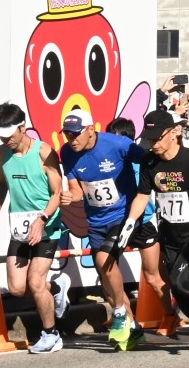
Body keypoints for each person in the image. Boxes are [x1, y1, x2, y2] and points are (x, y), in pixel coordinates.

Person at [59, 109, 155, 351]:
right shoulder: (68, 152)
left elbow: (149, 161)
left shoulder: (117, 144)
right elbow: (78, 189)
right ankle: (133, 328)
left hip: (123, 215)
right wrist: (70, 196)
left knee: (105, 260)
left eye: (75, 134)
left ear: (91, 129)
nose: (72, 139)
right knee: (108, 285)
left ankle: (120, 314)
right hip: (97, 220)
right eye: (67, 135)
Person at [0, 104, 67, 354]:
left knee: (35, 281)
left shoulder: (44, 152)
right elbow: (2, 184)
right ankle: (57, 288)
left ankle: (51, 334)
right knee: (17, 288)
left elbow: (57, 193)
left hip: (46, 226)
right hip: (20, 229)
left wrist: (42, 219)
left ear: (22, 128)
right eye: (0, 135)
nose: (5, 139)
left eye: (9, 134)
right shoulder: (2, 153)